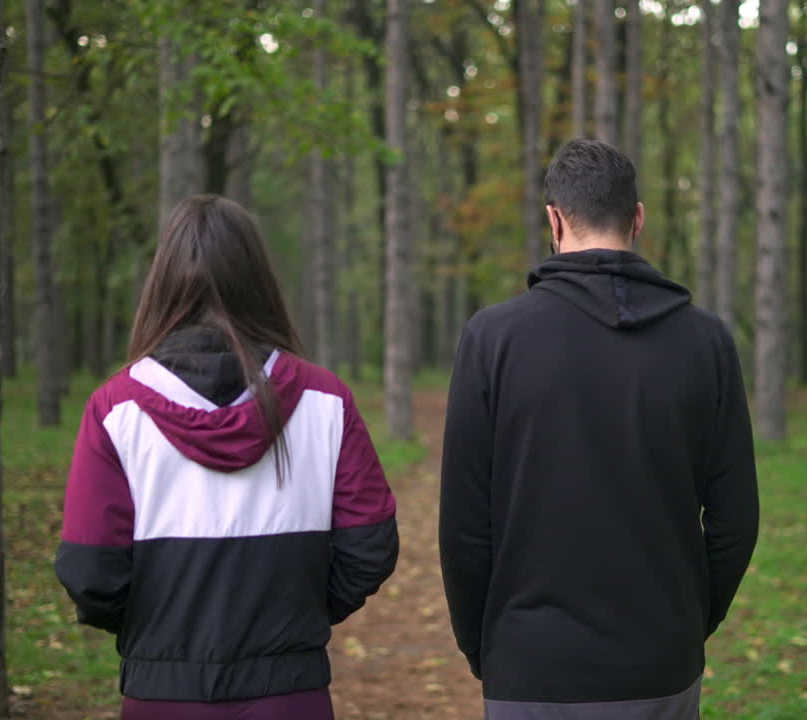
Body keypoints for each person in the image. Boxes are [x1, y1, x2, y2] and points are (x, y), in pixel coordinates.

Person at [439, 138, 760, 719]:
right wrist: (685, 624)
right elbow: (736, 521)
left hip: (529, 667)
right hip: (661, 661)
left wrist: (483, 645)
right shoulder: (707, 342)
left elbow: (464, 526)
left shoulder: (493, 339)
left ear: (554, 220)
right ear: (637, 219)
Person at [55, 195, 398, 720]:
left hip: (161, 695)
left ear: (163, 284)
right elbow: (370, 546)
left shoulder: (114, 409)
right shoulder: (326, 401)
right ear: (259, 281)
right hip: (291, 694)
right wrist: (300, 619)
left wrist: (157, 634)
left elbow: (90, 569)